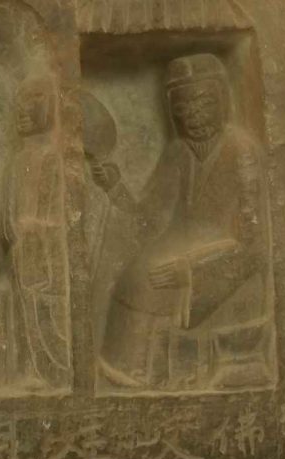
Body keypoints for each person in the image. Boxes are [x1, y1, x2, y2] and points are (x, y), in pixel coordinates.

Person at [97, 53, 273, 391]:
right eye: (184, 106)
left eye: (203, 103)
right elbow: (149, 216)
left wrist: (194, 269)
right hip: (181, 243)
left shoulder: (242, 151)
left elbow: (254, 241)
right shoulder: (178, 152)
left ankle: (157, 374)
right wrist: (114, 187)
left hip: (227, 256)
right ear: (172, 111)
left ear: (222, 101)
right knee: (133, 277)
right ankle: (132, 373)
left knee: (151, 282)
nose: (193, 114)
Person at [3, 73, 72, 387]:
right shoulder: (16, 162)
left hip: (48, 258)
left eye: (34, 100)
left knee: (51, 311)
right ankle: (32, 367)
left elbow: (62, 216)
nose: (23, 108)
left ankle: (57, 372)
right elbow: (8, 214)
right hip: (23, 254)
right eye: (19, 102)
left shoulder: (56, 160)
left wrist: (40, 231)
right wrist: (16, 231)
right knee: (25, 311)